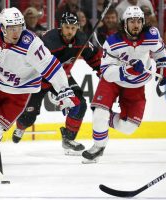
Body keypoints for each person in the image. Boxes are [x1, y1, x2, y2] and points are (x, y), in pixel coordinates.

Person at [0, 7, 80, 178]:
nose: (16, 32)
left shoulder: (31, 44)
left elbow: (52, 67)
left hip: (18, 94)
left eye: (19, 27)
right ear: (3, 27)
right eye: (12, 28)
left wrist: (64, 90)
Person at [82, 6, 166, 163]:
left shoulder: (151, 35)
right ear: (124, 23)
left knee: (129, 128)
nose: (136, 25)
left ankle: (105, 118)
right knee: (99, 114)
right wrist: (126, 70)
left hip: (137, 84)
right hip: (113, 81)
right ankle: (98, 146)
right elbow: (106, 71)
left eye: (139, 21)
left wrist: (164, 69)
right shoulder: (112, 42)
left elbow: (160, 53)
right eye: (132, 21)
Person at [12, 12, 102, 155]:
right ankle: (21, 127)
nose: (70, 31)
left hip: (62, 78)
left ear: (77, 28)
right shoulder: (49, 40)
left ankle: (68, 139)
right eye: (67, 27)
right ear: (61, 27)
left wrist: (102, 71)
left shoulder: (81, 39)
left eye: (73, 28)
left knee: (79, 104)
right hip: (39, 79)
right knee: (29, 116)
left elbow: (94, 57)